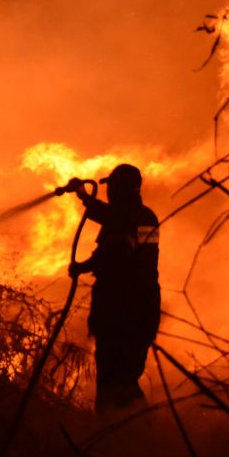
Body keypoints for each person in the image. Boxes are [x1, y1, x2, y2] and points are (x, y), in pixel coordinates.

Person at [64, 164, 161, 414]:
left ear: (117, 190)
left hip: (120, 311)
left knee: (112, 380)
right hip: (143, 310)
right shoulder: (145, 217)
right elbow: (115, 221)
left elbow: (117, 254)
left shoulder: (123, 220)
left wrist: (82, 267)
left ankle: (111, 434)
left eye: (112, 189)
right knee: (125, 379)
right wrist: (84, 197)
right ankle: (144, 432)